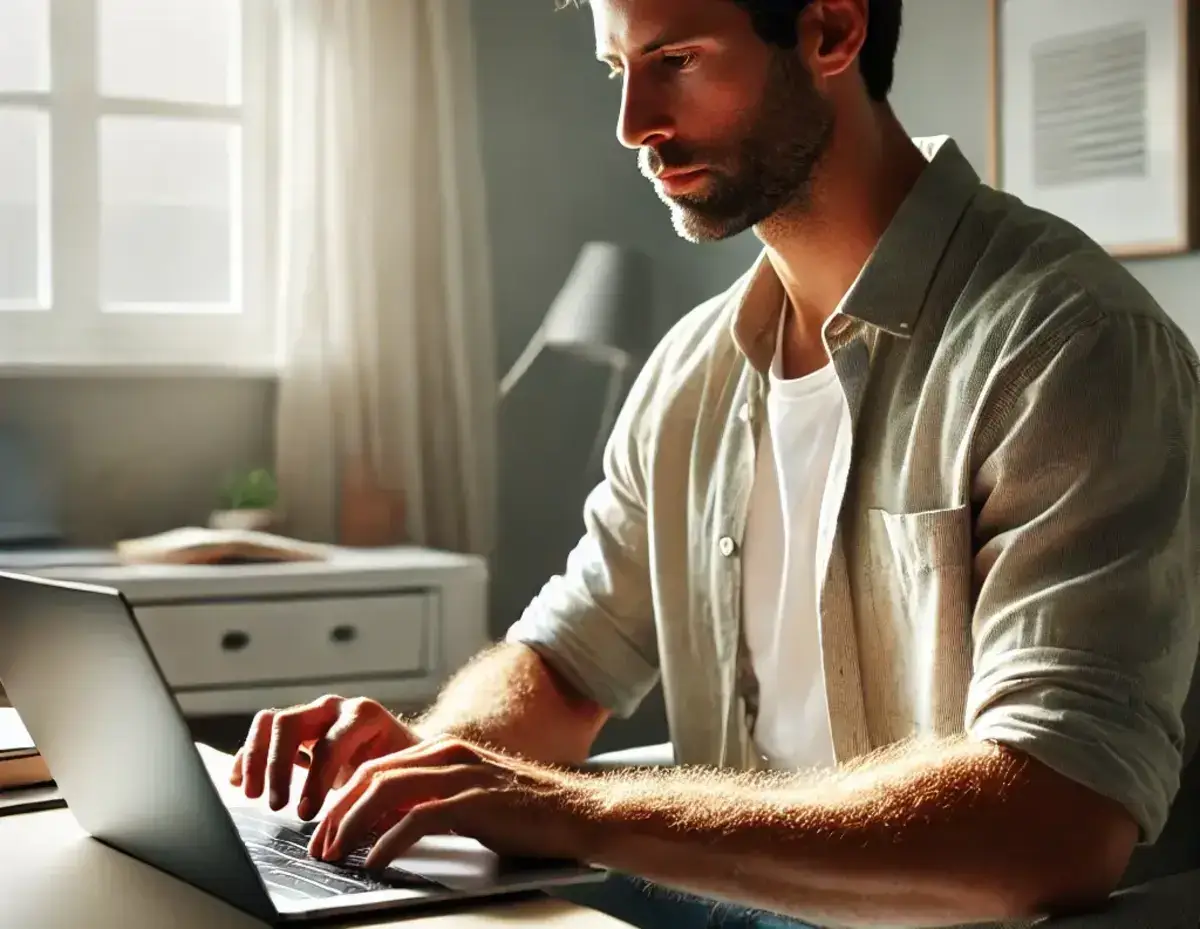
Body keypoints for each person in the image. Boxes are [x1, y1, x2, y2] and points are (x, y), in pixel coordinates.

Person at [230, 1, 1200, 927]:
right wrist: (430, 762)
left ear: (831, 28)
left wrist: (578, 810)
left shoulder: (1070, 344)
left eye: (676, 61)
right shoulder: (693, 369)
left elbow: (1053, 823)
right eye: (619, 68)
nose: (632, 123)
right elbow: (566, 660)